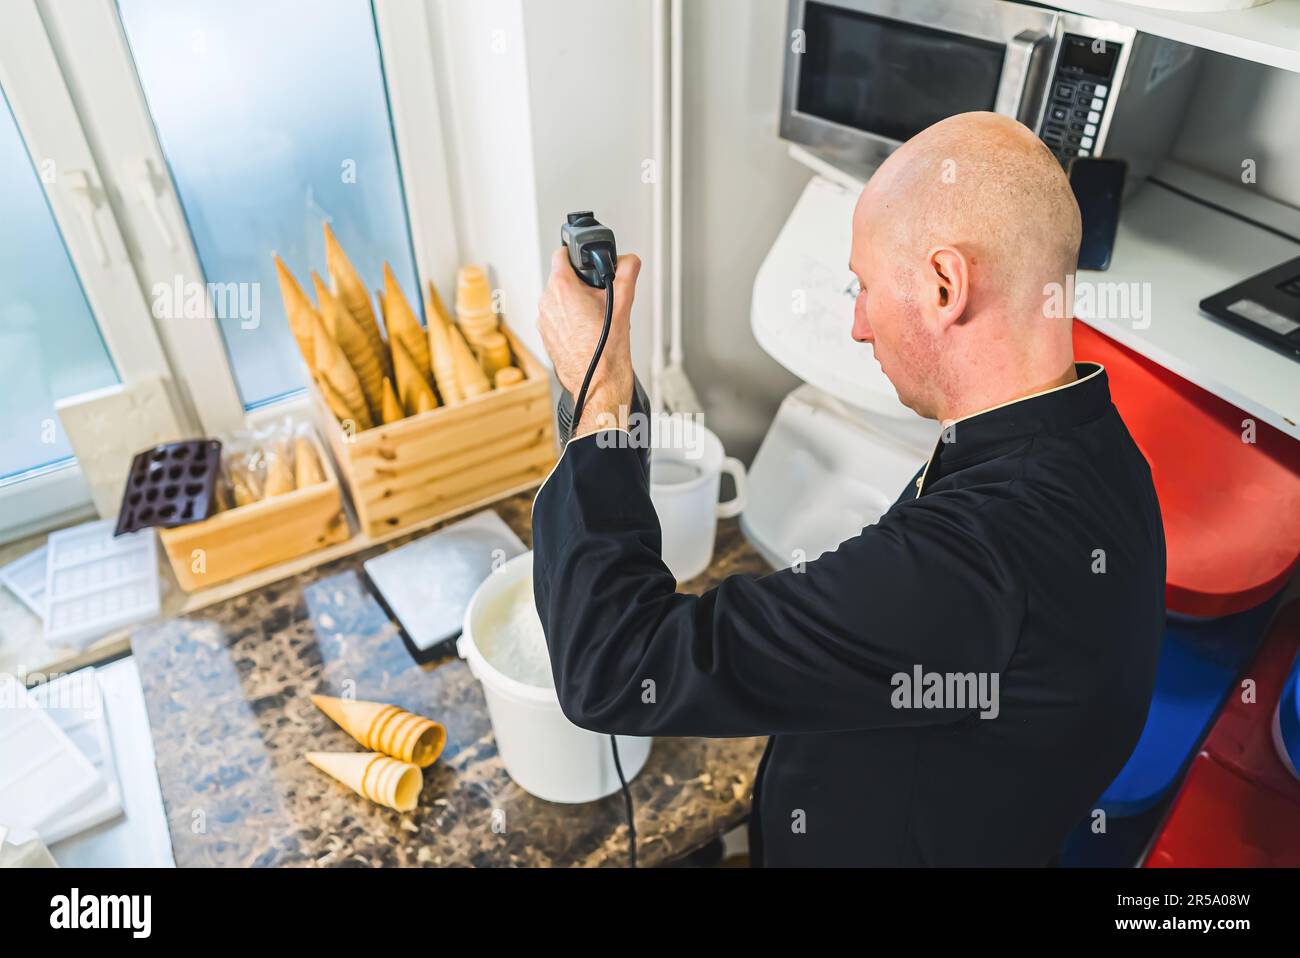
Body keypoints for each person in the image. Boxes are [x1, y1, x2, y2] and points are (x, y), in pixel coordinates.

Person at [531, 112, 1166, 866]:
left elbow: (613, 667)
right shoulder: (1092, 441)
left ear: (944, 285)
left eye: (861, 286)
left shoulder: (982, 553)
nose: (859, 324)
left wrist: (599, 392)